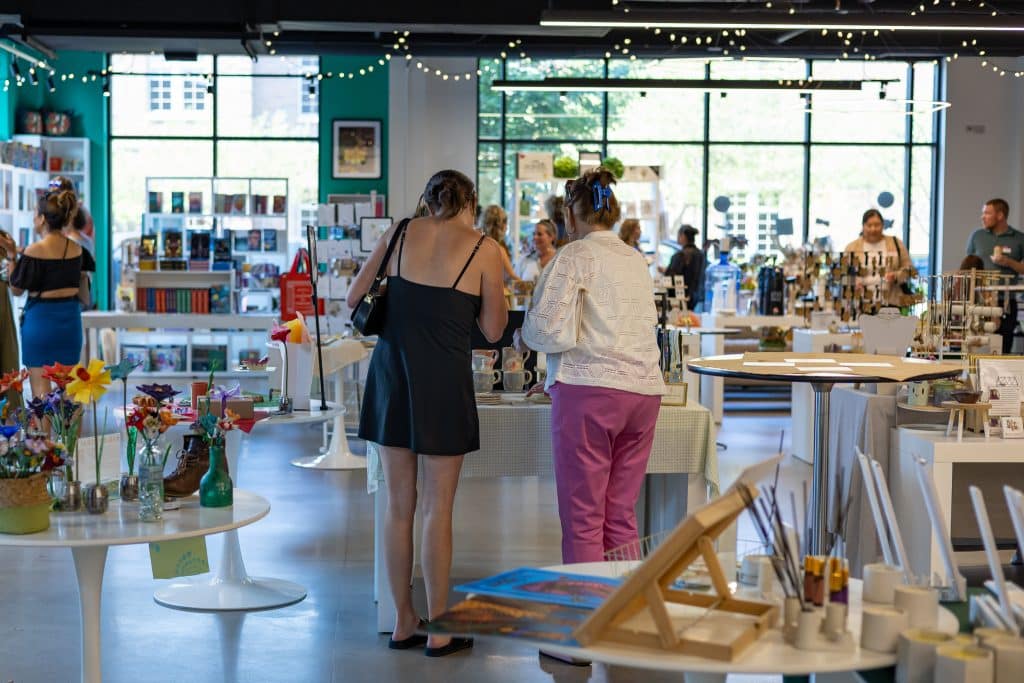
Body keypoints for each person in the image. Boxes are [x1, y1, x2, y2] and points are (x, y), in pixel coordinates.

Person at [350, 170, 507, 656]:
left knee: (399, 506)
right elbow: (494, 329)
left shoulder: (399, 232)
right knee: (438, 509)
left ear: (427, 199)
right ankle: (439, 628)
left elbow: (354, 300)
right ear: (471, 202)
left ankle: (403, 620)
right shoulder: (484, 249)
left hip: (391, 379)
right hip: (444, 383)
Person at [519, 167, 665, 564]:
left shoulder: (575, 255)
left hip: (589, 394)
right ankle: (623, 600)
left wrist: (523, 337)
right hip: (644, 392)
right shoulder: (635, 259)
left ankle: (586, 601)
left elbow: (548, 328)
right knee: (621, 514)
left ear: (569, 215)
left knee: (584, 517)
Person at [5, 190, 94, 399]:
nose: (33, 219)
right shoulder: (77, 250)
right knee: (71, 394)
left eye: (35, 214)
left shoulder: (33, 251)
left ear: (43, 219)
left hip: (39, 324)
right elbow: (83, 283)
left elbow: (16, 289)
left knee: (41, 395)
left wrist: (11, 257)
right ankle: (70, 423)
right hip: (69, 323)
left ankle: (45, 423)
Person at [965, 198, 1024, 352]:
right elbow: (968, 265)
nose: (982, 217)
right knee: (976, 346)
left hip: (1006, 302)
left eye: (987, 213)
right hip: (979, 300)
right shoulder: (977, 236)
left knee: (1003, 349)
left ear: (1000, 215)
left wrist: (1008, 262)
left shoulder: (1019, 239)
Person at [842, 208, 913, 307]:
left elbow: (909, 269)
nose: (873, 229)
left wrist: (895, 276)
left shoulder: (895, 243)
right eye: (869, 225)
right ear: (863, 226)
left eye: (877, 225)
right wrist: (853, 282)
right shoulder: (851, 248)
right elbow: (843, 275)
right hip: (861, 304)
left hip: (891, 302)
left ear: (883, 225)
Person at [663, 225, 707, 311]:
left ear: (683, 236)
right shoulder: (701, 255)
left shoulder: (680, 255)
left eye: (678, 235)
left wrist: (665, 271)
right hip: (697, 299)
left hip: (680, 299)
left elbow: (670, 278)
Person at [480, 204, 521, 283]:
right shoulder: (498, 249)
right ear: (500, 226)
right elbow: (512, 276)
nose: (507, 227)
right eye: (506, 223)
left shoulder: (477, 245)